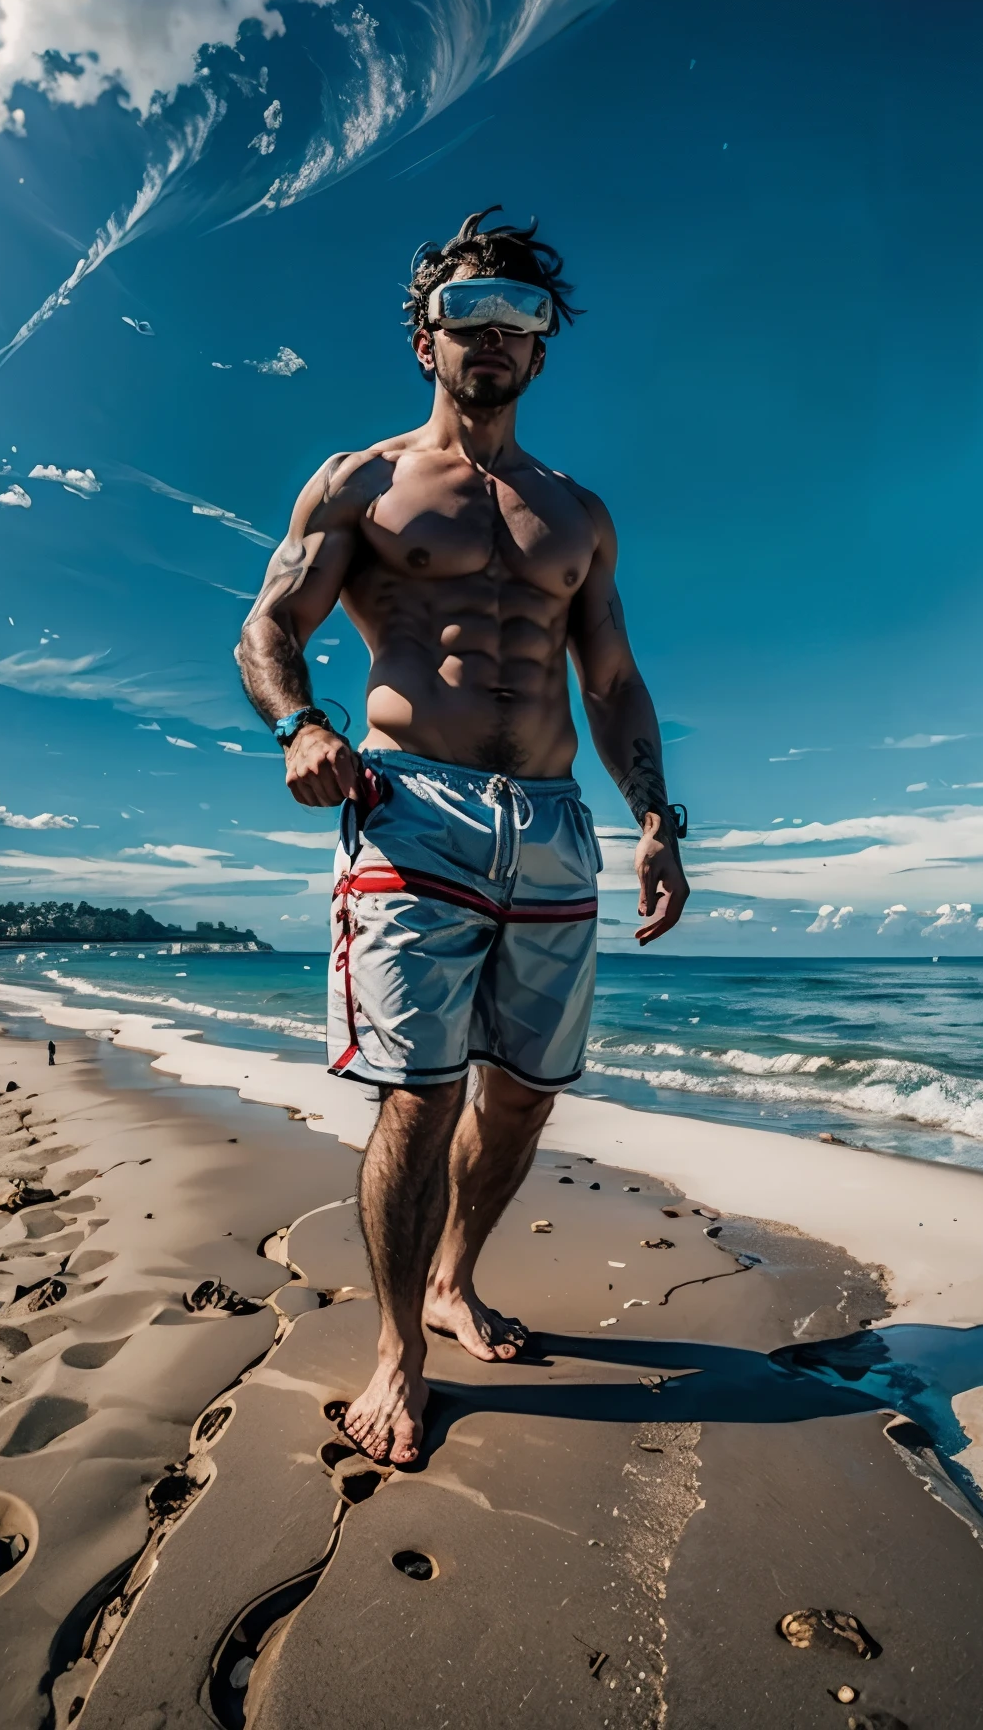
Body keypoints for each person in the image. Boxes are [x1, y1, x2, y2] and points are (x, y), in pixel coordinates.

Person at [237, 208, 689, 1465]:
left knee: (526, 1094)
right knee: (421, 1095)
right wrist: (300, 729)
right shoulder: (360, 481)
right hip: (409, 813)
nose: (494, 336)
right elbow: (266, 629)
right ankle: (397, 1347)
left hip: (551, 826)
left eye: (521, 318)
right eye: (469, 314)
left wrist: (656, 816)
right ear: (426, 336)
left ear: (542, 351)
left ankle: (454, 1274)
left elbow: (610, 681)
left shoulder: (579, 513)